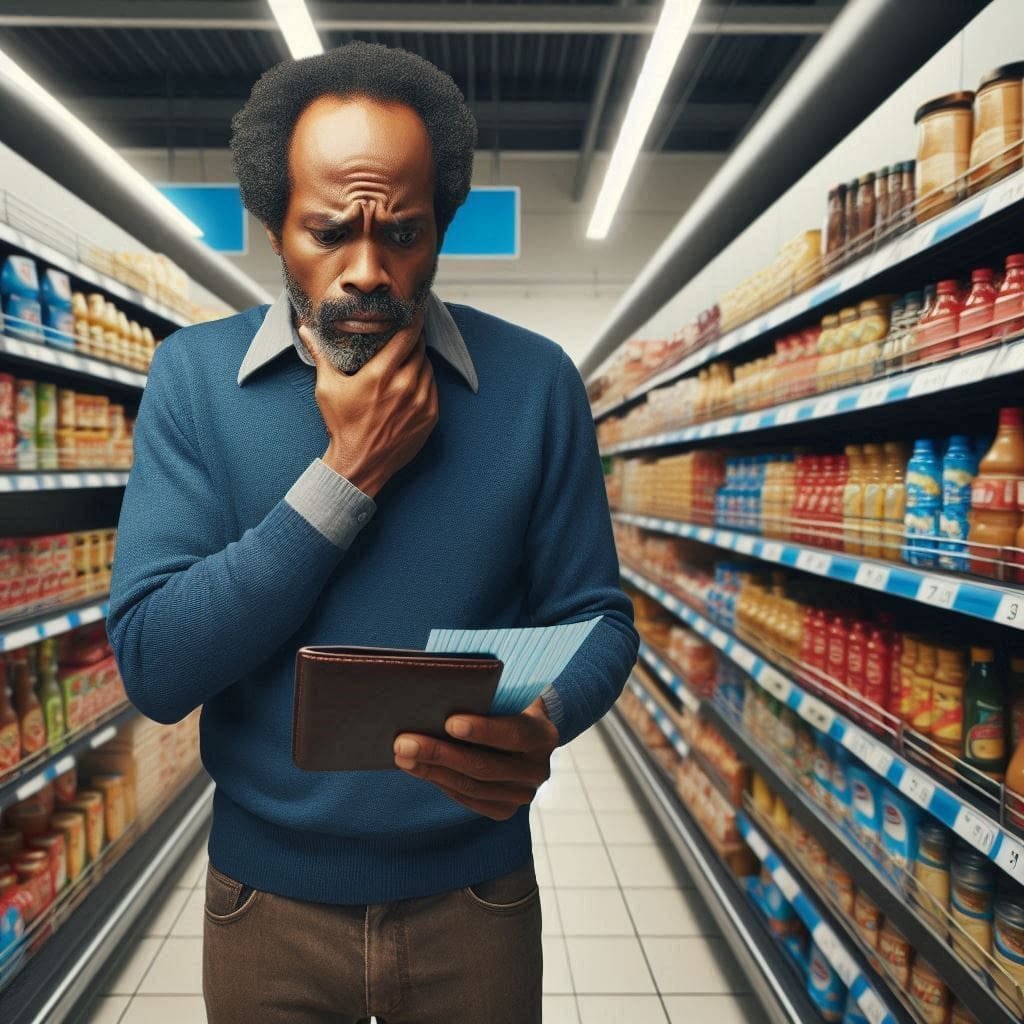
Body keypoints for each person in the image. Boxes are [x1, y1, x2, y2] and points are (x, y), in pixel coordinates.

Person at [108, 41, 638, 1024]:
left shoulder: (535, 385)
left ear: (441, 225)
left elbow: (598, 617)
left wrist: (546, 718)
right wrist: (346, 476)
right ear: (272, 228)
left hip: (475, 894)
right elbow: (154, 663)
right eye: (325, 232)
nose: (364, 269)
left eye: (401, 231)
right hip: (263, 904)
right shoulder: (191, 381)